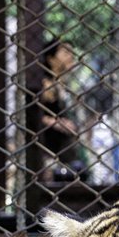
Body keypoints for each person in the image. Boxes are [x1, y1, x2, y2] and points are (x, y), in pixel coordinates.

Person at [37, 40, 84, 181]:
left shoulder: (63, 84)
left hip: (63, 154)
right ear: (50, 59)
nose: (71, 56)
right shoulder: (46, 85)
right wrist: (57, 122)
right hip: (49, 153)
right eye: (65, 52)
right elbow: (35, 115)